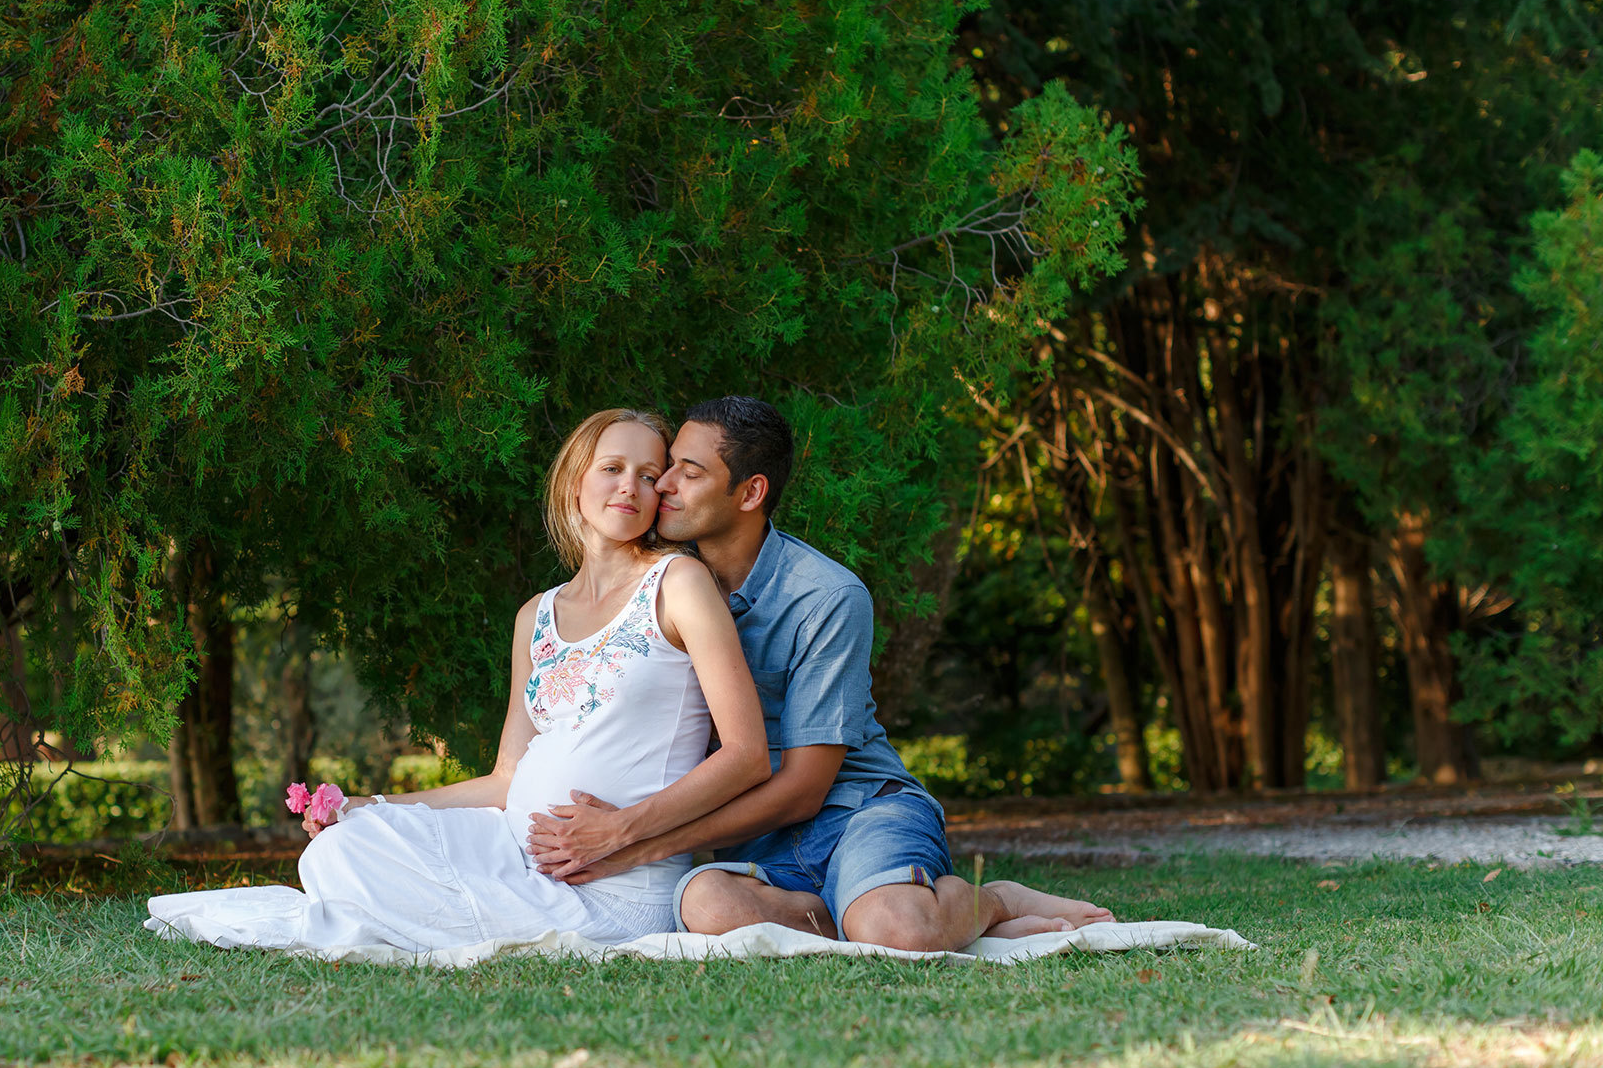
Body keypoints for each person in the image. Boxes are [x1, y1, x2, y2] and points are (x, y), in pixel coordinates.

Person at [144, 408, 771, 951]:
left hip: (614, 884)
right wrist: (371, 807)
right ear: (574, 479)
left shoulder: (678, 586)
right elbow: (505, 780)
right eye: (612, 467)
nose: (631, 486)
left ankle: (413, 919)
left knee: (353, 875)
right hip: (508, 852)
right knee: (339, 849)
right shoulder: (538, 615)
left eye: (648, 473)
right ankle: (419, 906)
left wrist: (621, 829)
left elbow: (746, 757)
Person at [526, 396, 1114, 951]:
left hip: (856, 807)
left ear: (750, 492)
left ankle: (992, 903)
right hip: (755, 834)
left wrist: (634, 842)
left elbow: (805, 787)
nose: (664, 486)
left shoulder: (825, 596)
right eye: (668, 469)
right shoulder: (655, 585)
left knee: (896, 927)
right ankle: (854, 918)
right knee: (706, 908)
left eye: (689, 472)